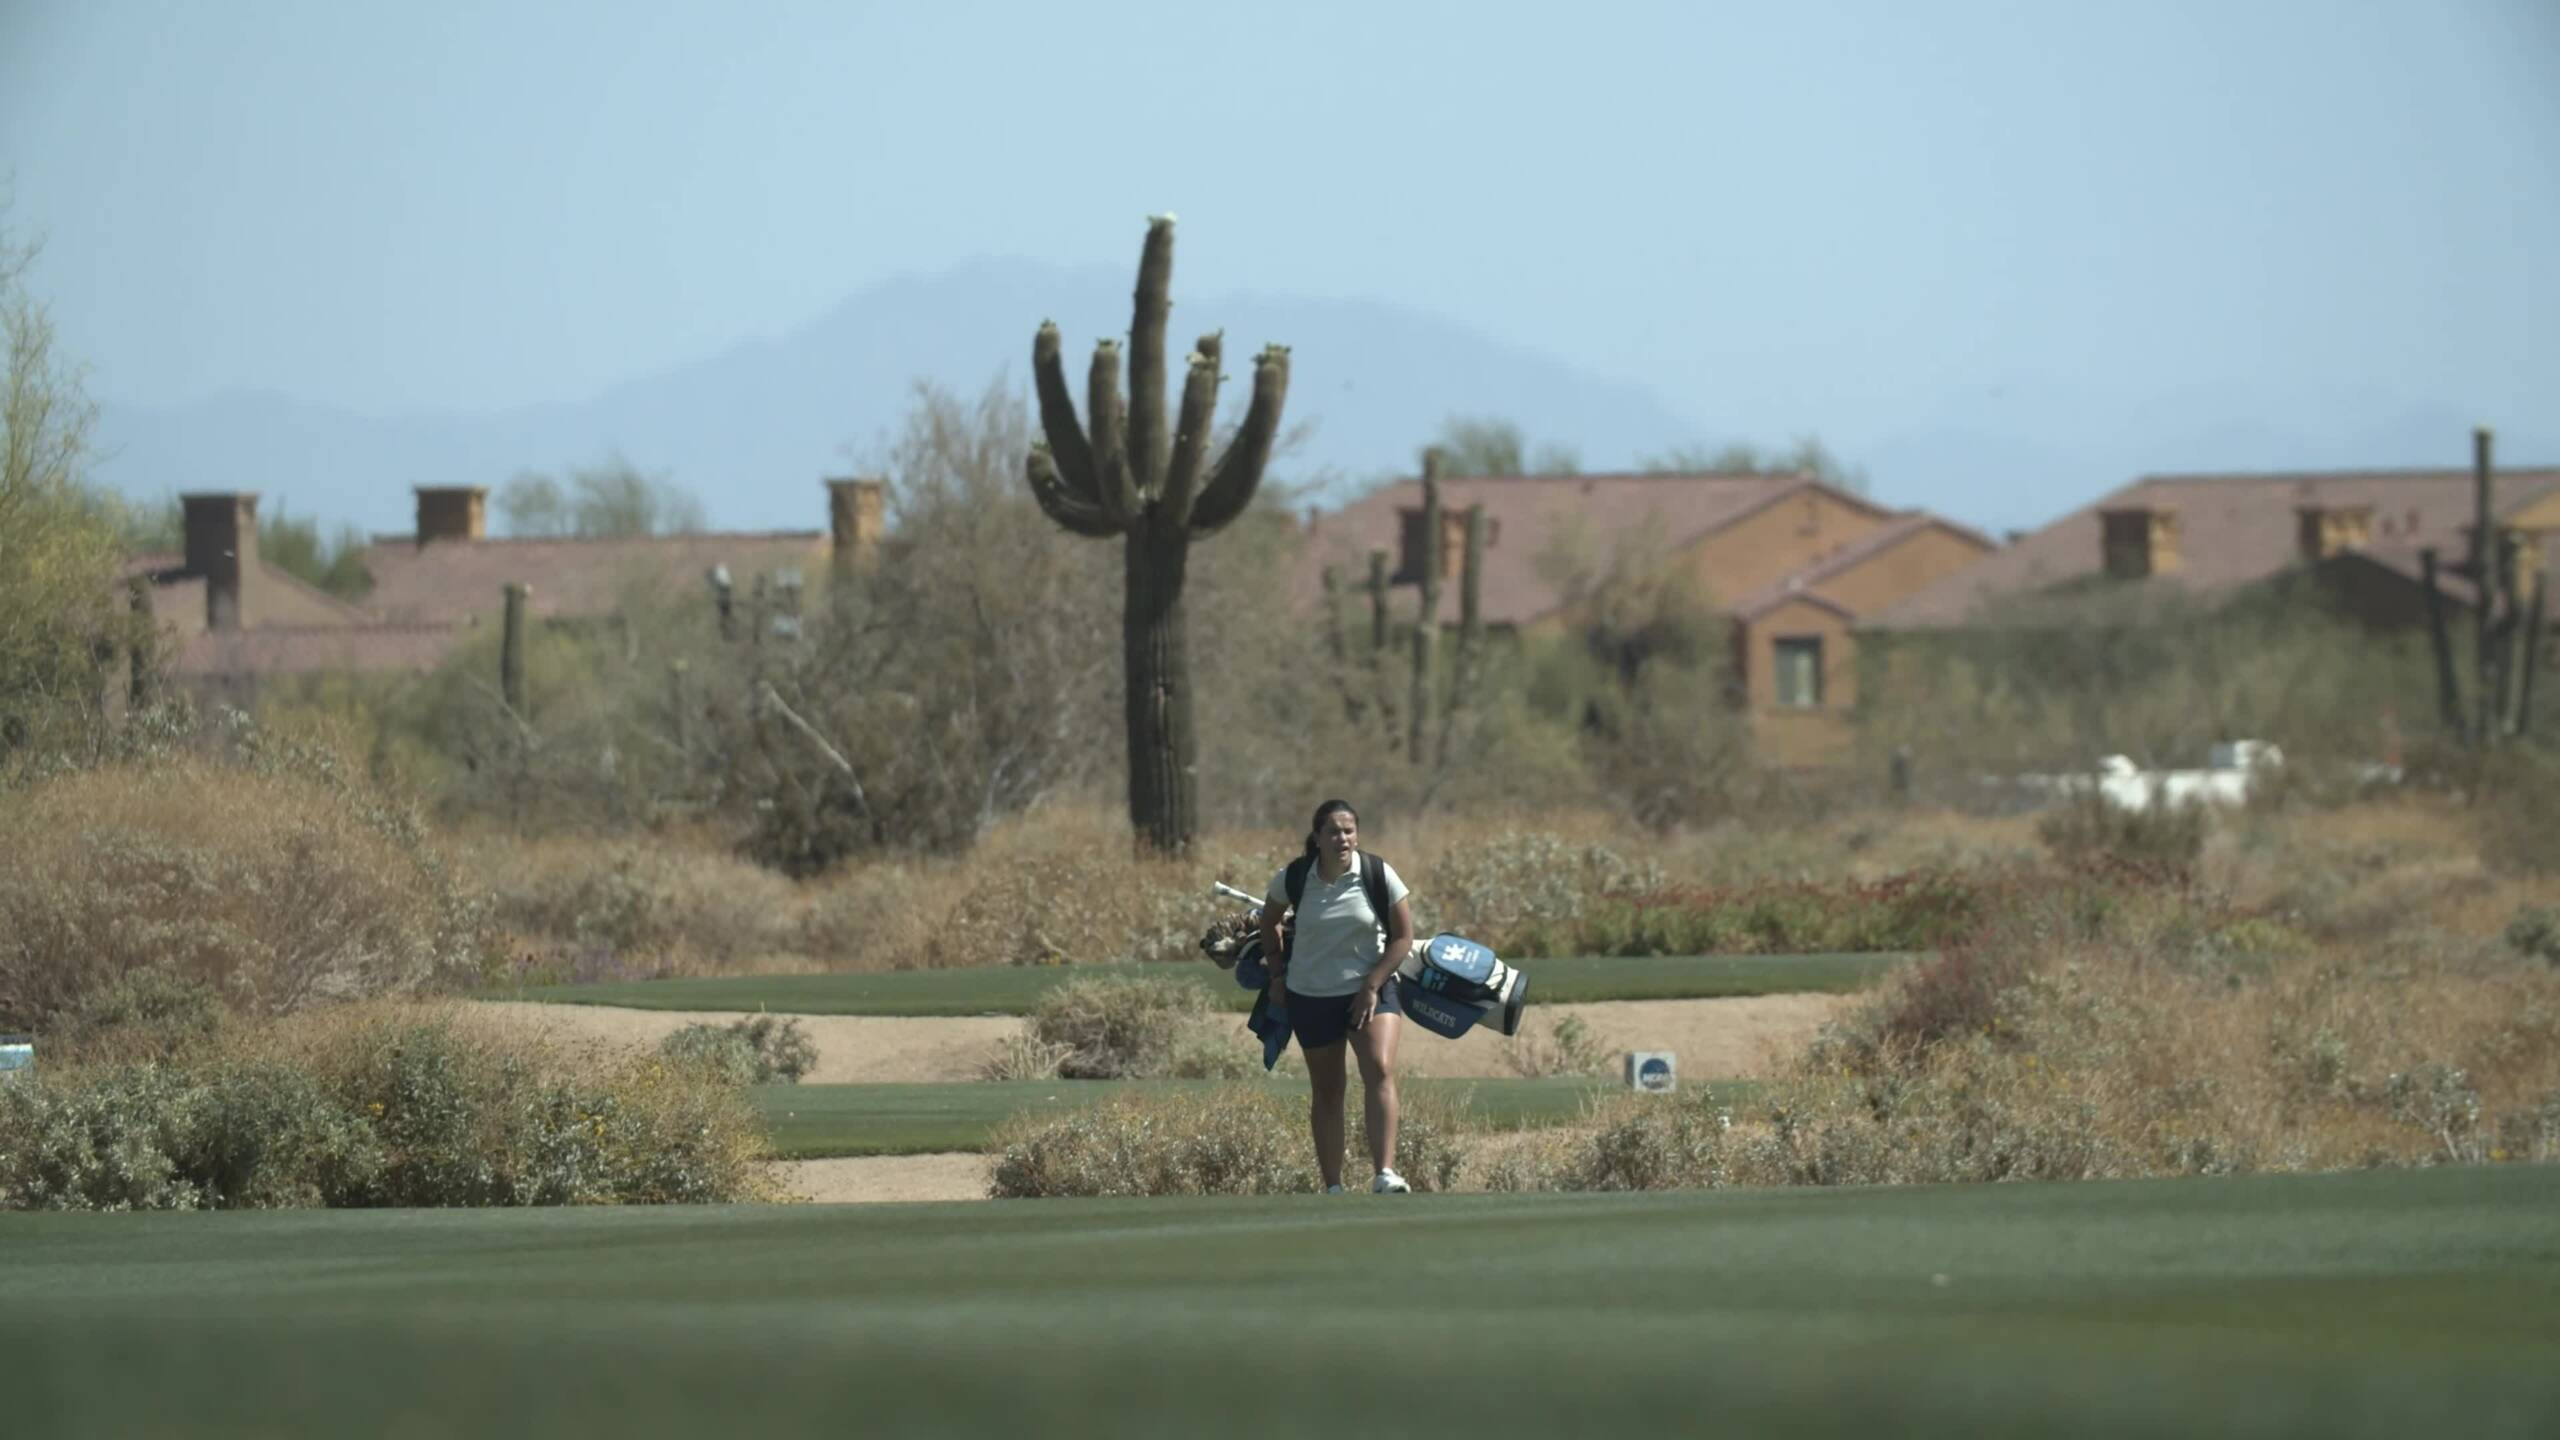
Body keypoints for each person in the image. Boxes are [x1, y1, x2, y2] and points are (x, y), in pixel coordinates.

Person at [1257, 799, 1416, 1195]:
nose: (1342, 838)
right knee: (1328, 1090)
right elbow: (1269, 921)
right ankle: (1333, 1186)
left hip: (1371, 990)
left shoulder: (1378, 873)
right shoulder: (1295, 877)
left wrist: (1371, 986)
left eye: (1348, 830)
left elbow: (1403, 937)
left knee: (1378, 1067)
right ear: (1318, 838)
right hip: (1310, 995)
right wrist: (1277, 972)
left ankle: (1384, 1173)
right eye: (1333, 831)